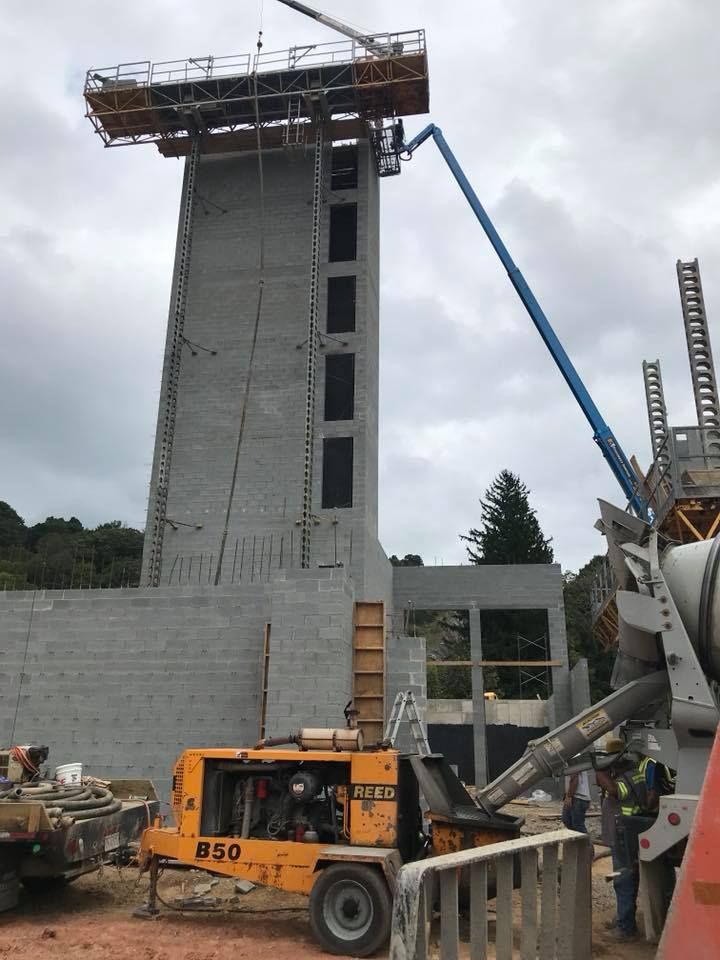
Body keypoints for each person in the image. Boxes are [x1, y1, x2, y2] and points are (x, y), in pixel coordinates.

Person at [596, 752, 674, 942]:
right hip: (630, 831)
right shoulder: (637, 774)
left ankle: (625, 927)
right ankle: (624, 919)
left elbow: (615, 790)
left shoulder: (626, 779)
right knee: (631, 876)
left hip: (624, 833)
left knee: (623, 879)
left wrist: (600, 772)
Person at [562, 769, 590, 833]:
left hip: (578, 797)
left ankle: (583, 838)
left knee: (577, 826)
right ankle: (578, 838)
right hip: (577, 797)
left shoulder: (573, 763)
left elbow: (574, 778)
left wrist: (569, 796)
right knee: (567, 821)